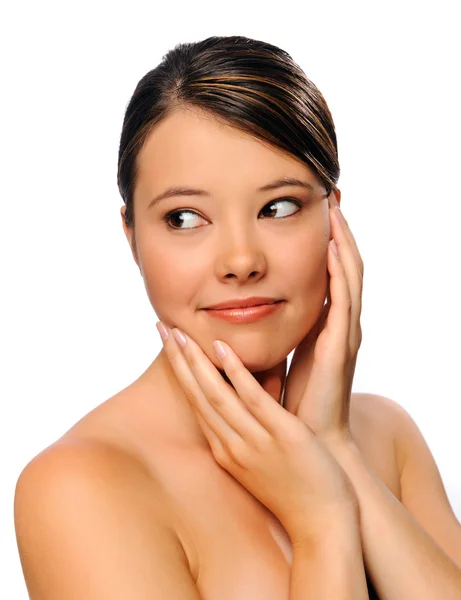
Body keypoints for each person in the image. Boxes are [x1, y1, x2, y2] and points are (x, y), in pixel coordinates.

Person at [14, 35, 461, 600]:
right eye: (184, 218)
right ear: (131, 237)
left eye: (278, 207)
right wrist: (322, 520)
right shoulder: (79, 487)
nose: (241, 261)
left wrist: (336, 448)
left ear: (333, 219)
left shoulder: (385, 438)